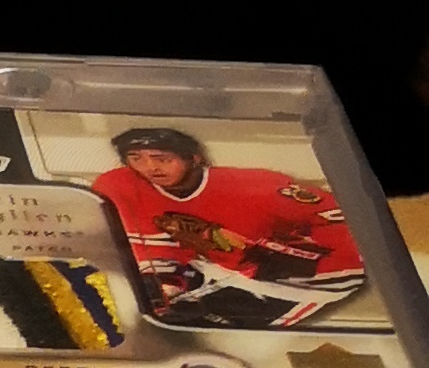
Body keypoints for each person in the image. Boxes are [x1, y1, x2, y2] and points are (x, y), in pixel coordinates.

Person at [93, 125, 363, 327]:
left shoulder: (256, 187)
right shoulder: (119, 187)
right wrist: (167, 281)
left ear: (194, 158)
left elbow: (344, 221)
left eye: (162, 158)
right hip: (214, 272)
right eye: (136, 158)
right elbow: (149, 250)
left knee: (217, 337)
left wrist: (293, 262)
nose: (149, 167)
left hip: (295, 279)